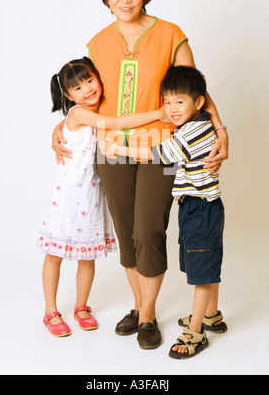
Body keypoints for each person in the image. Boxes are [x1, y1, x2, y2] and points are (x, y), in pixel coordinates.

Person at [52, 0, 229, 349]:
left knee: (149, 230)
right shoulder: (98, 42)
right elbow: (82, 95)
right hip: (111, 150)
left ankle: (148, 315)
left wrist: (220, 128)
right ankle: (138, 305)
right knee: (127, 234)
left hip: (159, 149)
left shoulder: (170, 35)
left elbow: (194, 87)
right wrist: (58, 128)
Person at [100, 65, 227, 358]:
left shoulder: (194, 131)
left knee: (201, 270)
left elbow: (160, 154)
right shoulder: (196, 122)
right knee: (202, 261)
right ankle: (212, 316)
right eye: (167, 102)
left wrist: (119, 150)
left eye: (179, 102)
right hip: (194, 204)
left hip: (201, 207)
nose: (171, 109)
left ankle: (196, 330)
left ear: (199, 102)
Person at [38, 57, 167, 337]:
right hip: (69, 196)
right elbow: (119, 122)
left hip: (92, 198)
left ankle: (81, 306)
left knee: (87, 256)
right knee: (56, 253)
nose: (86, 89)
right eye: (77, 88)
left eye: (89, 81)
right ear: (68, 96)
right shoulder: (79, 114)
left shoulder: (98, 109)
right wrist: (158, 114)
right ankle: (50, 311)